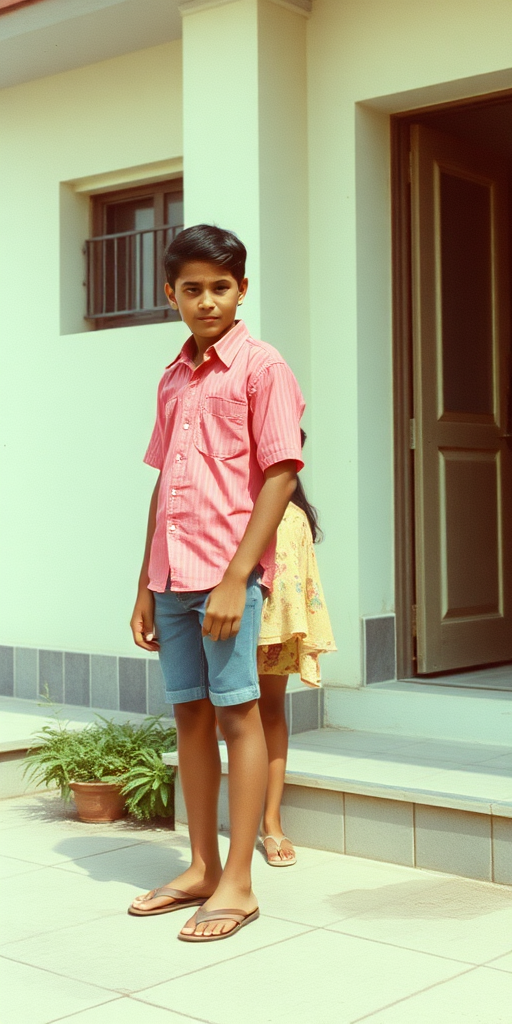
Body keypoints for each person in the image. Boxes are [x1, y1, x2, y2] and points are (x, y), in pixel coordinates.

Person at [128, 224, 304, 942]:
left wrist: (237, 578)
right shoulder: (173, 377)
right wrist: (143, 583)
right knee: (190, 718)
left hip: (225, 577)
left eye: (221, 287)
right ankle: (200, 866)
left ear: (242, 291)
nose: (207, 301)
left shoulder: (262, 368)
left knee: (239, 715)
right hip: (171, 578)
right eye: (192, 288)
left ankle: (238, 881)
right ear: (171, 293)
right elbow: (164, 478)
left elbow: (282, 473)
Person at [257, 444, 336, 866]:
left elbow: (301, 585)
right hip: (221, 622)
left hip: (274, 629)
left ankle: (272, 823)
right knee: (230, 715)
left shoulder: (292, 516)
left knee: (268, 712)